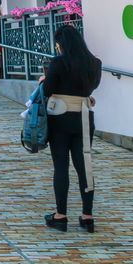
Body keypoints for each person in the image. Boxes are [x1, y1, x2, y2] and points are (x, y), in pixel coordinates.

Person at [42, 25, 102, 233]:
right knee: (85, 165)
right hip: (84, 118)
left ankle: (61, 215)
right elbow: (92, 88)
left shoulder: (58, 63)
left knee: (61, 166)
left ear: (62, 44)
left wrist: (43, 80)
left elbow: (48, 89)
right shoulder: (95, 63)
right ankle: (88, 216)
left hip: (60, 118)